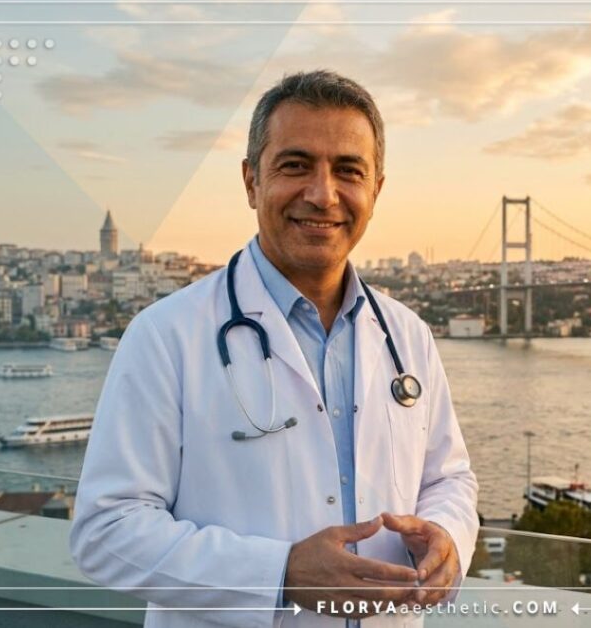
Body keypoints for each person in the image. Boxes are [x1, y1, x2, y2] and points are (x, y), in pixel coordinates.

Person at [70, 70, 479, 628]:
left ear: (376, 190)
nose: (322, 194)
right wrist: (280, 574)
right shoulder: (167, 334)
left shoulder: (408, 336)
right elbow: (106, 530)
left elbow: (448, 477)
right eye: (295, 165)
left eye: (348, 171)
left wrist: (448, 536)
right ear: (250, 182)